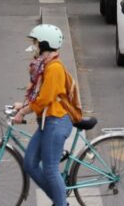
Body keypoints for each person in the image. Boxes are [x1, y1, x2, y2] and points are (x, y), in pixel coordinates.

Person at [11, 25, 78, 206]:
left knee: (50, 169)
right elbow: (40, 96)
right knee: (30, 163)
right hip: (47, 122)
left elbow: (45, 99)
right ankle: (60, 199)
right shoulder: (45, 66)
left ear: (45, 44)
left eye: (36, 42)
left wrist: (23, 112)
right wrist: (23, 105)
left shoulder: (54, 68)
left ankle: (61, 203)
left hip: (56, 122)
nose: (34, 46)